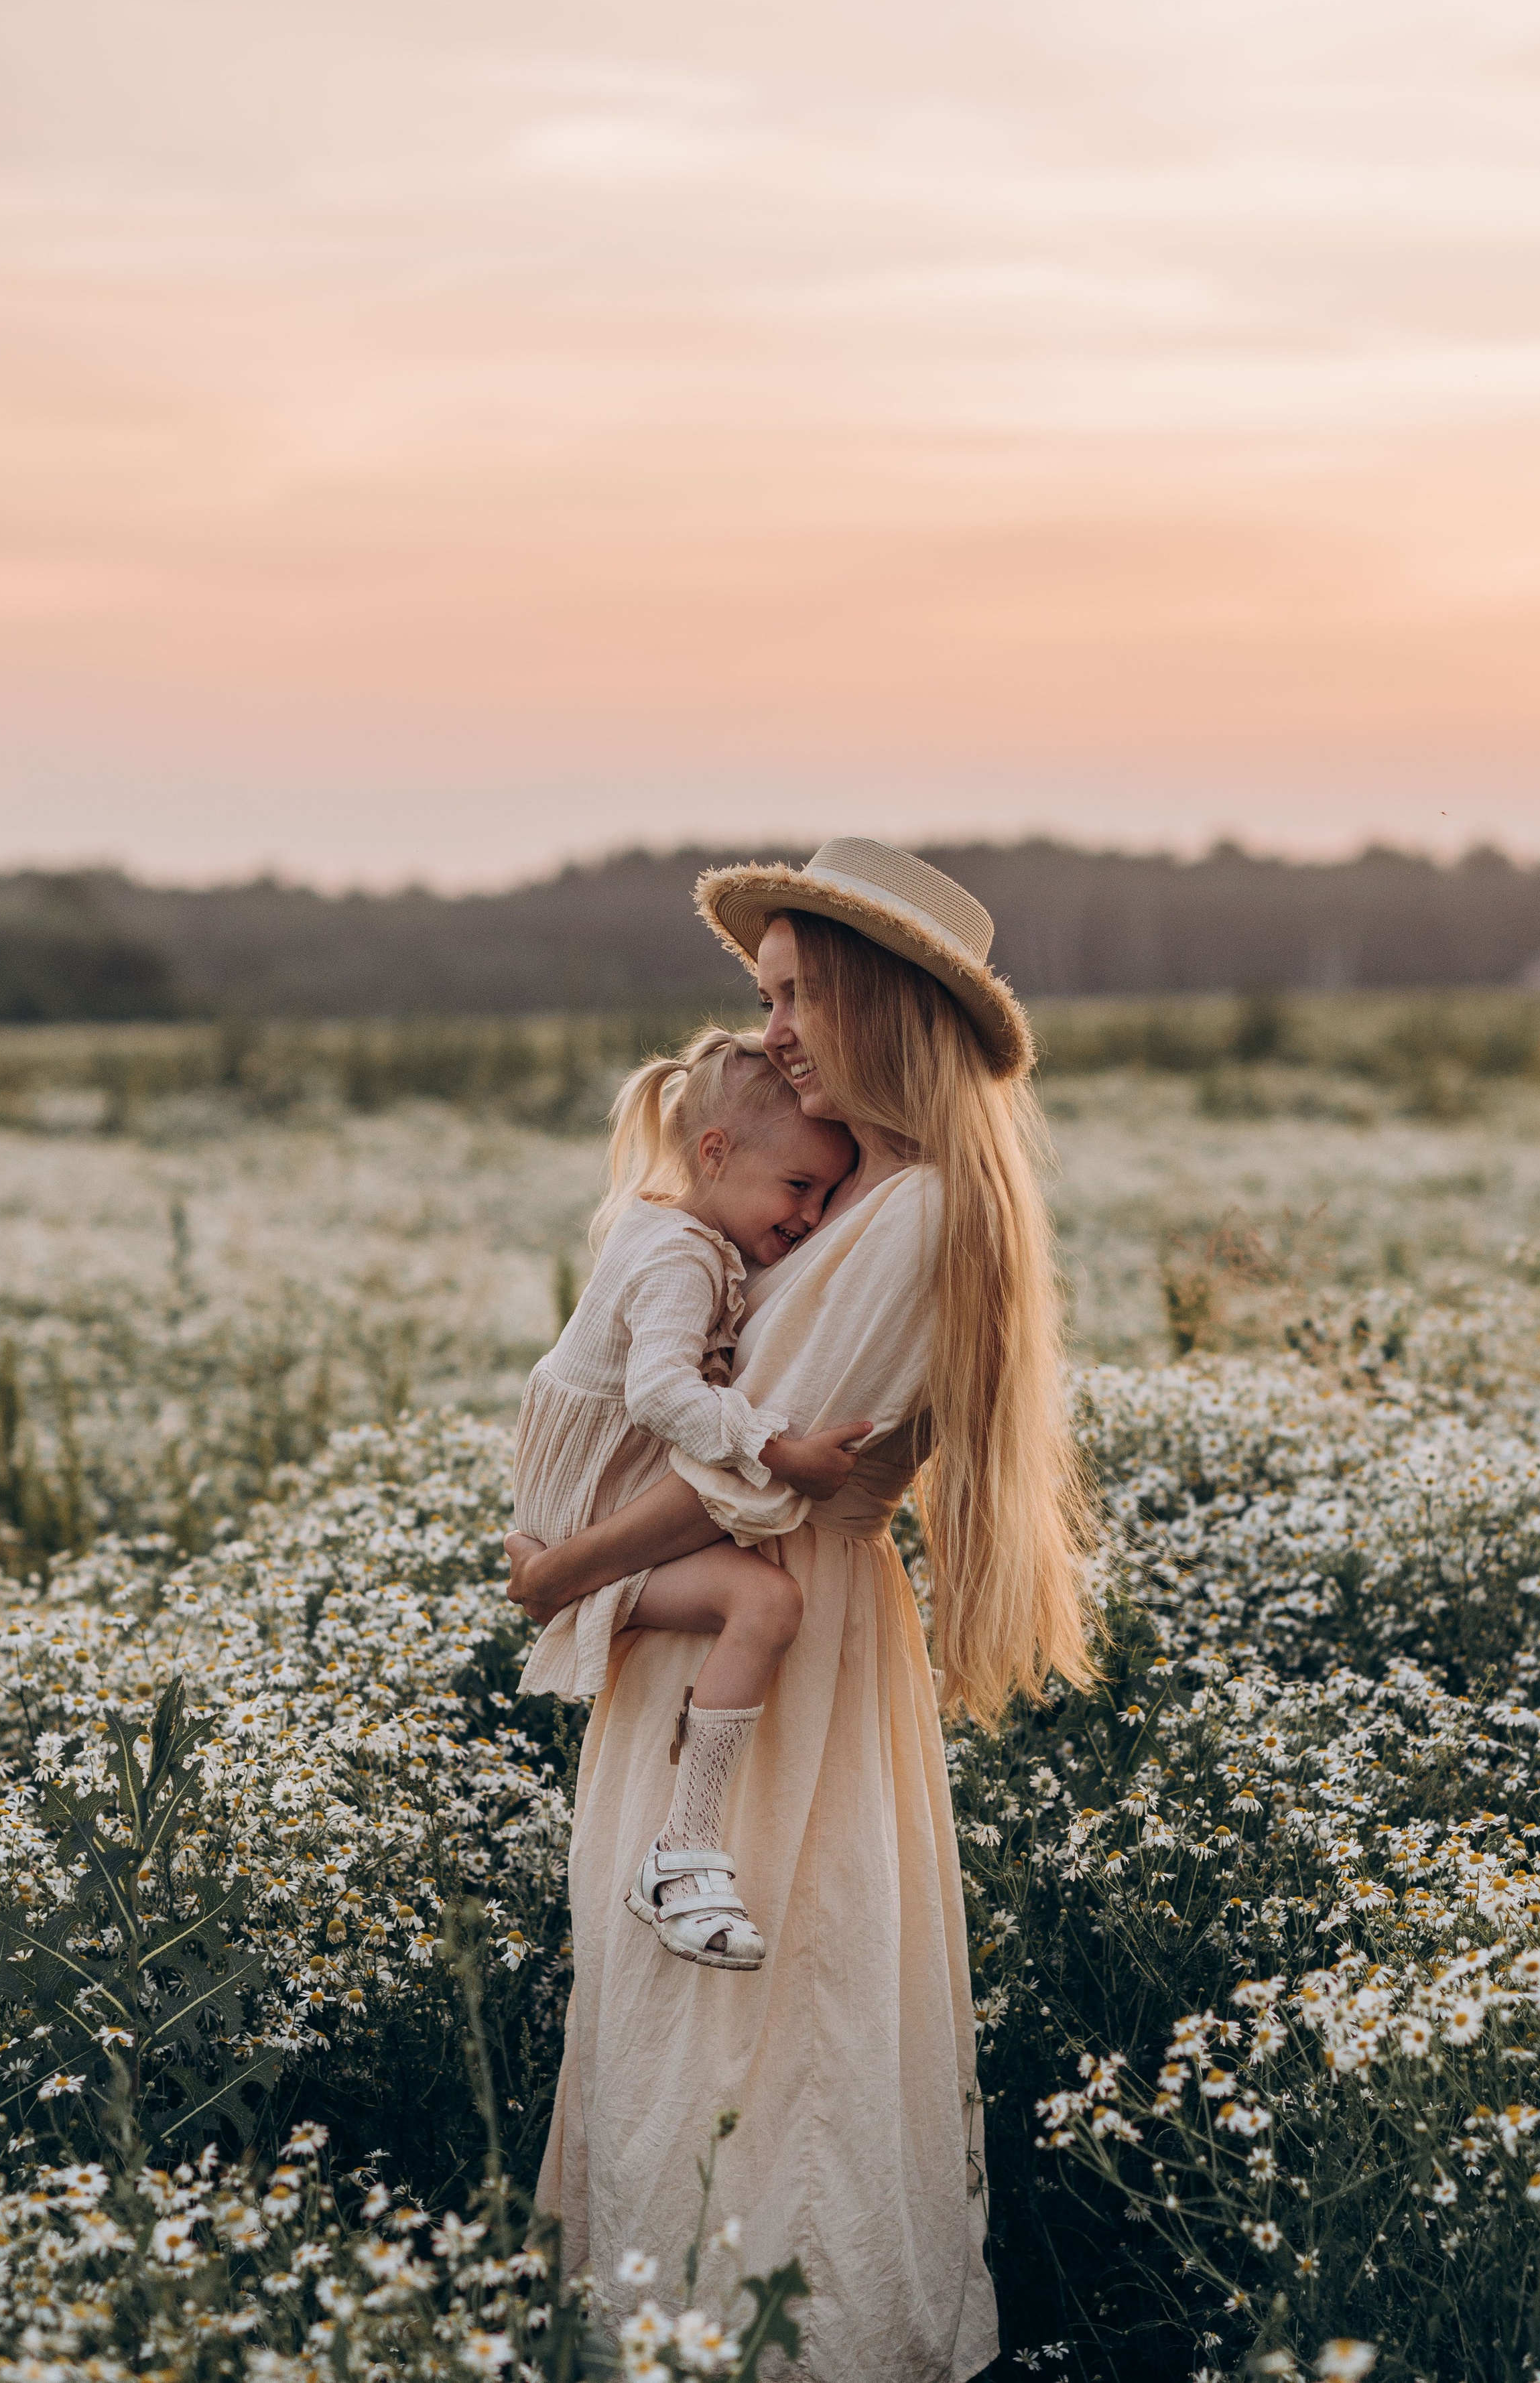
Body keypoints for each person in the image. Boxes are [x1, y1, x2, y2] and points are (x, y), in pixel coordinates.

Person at [507, 838, 1098, 2382]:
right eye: (763, 996)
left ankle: (777, 2346)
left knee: (763, 2023)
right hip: (748, 1631)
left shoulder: (903, 1213)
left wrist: (567, 1572)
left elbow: (744, 1486)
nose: (769, 1030)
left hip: (777, 1634)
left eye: (794, 995)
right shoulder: (861, 1190)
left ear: (883, 1004)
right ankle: (692, 2326)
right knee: (727, 2011)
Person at [511, 1026, 870, 1968]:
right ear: (714, 1152)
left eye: (830, 1195)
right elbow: (660, 1395)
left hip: (591, 1492)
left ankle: (686, 1845)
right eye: (798, 1187)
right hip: (594, 1507)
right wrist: (777, 1449)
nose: (811, 1215)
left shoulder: (674, 1220)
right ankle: (684, 1852)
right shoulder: (681, 1257)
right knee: (766, 1600)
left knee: (758, 1596)